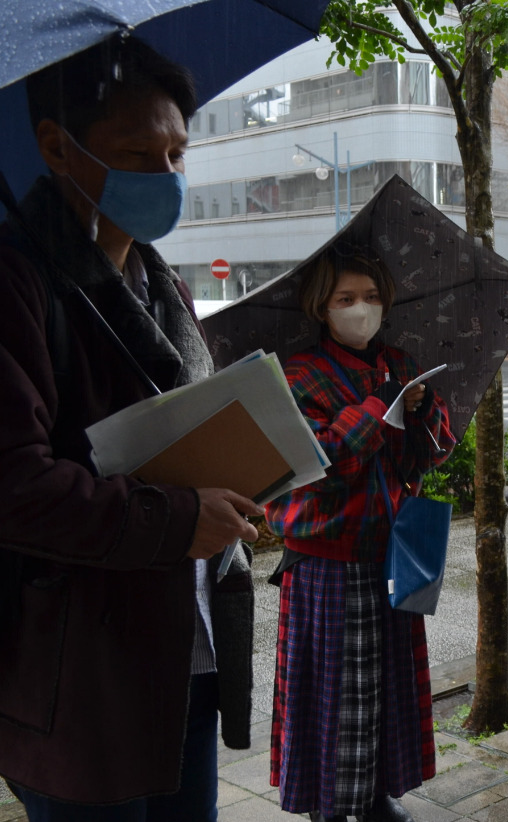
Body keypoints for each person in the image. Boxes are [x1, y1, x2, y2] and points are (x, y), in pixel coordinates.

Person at [0, 37, 261, 821]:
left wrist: (249, 481)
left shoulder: (163, 283)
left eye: (178, 154)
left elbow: (186, 438)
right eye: (136, 154)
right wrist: (179, 519)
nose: (166, 177)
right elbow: (14, 485)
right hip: (77, 676)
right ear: (57, 147)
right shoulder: (17, 282)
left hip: (185, 651)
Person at [266, 245, 455, 822]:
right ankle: (326, 804)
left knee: (387, 686)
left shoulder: (400, 364)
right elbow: (319, 464)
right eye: (345, 298)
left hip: (393, 552)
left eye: (371, 297)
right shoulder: (296, 375)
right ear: (321, 307)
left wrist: (421, 408)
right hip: (325, 560)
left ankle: (377, 794)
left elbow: (435, 453)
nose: (361, 309)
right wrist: (378, 406)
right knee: (331, 690)